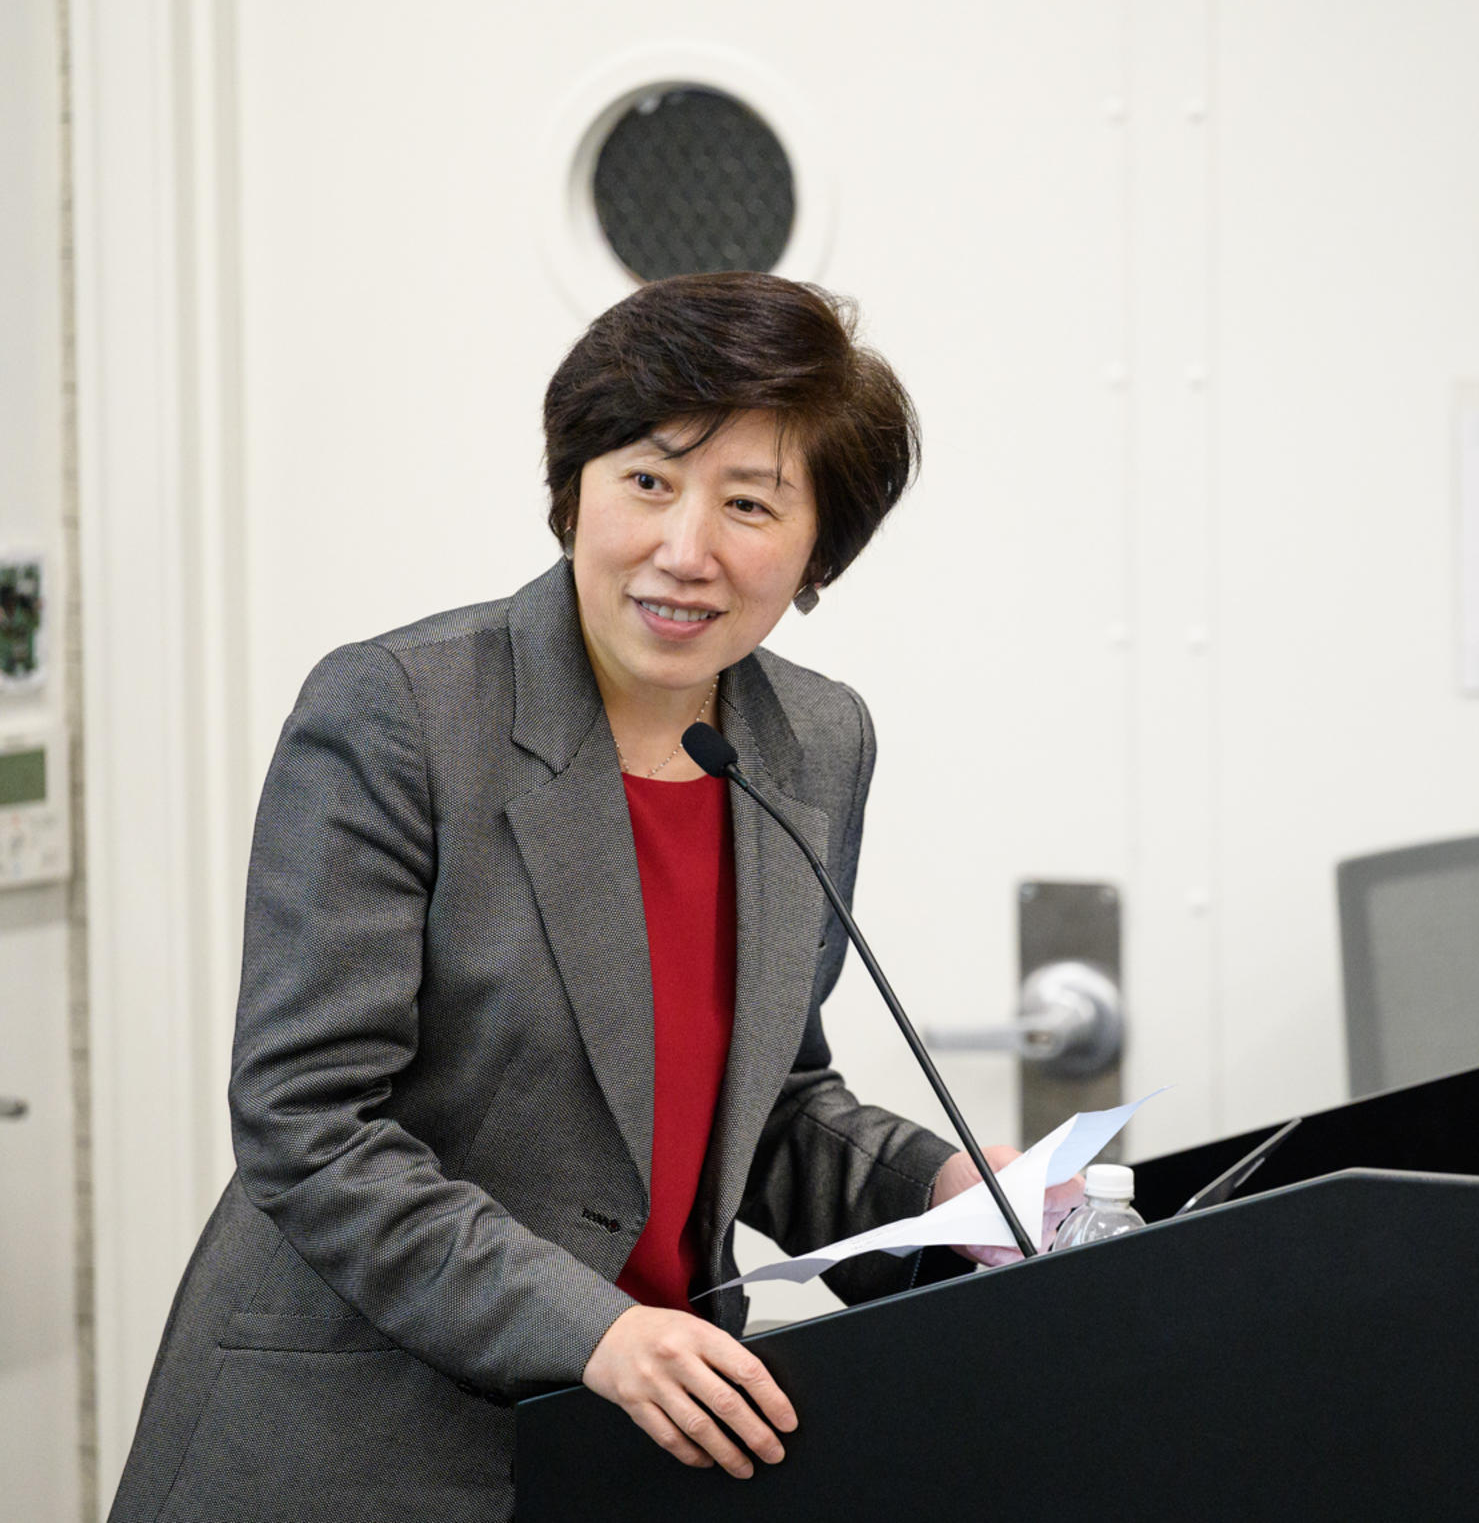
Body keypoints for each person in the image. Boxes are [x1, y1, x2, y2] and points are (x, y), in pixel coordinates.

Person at [108, 272, 1070, 1522]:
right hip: (361, 1443)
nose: (685, 549)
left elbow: (762, 1103)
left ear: (818, 547)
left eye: (748, 503)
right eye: (648, 481)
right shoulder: (402, 713)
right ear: (574, 492)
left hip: (642, 1442)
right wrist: (597, 1330)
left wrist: (938, 1184)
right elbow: (309, 1126)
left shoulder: (816, 742)